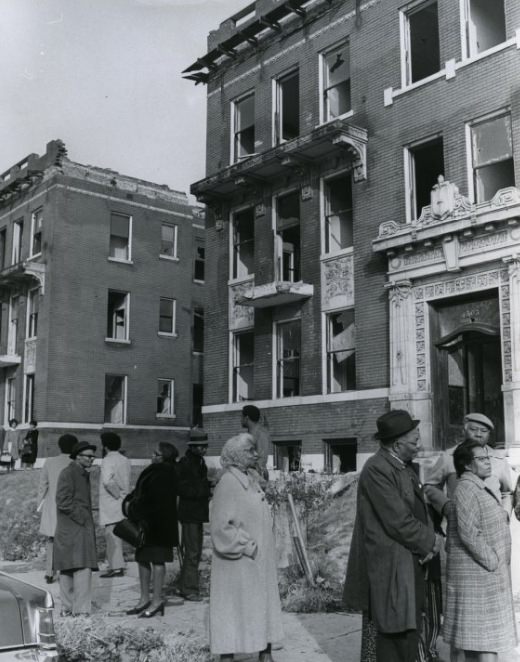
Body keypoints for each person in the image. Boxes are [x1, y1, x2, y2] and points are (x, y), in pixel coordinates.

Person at [343, 410, 441, 662]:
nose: (419, 447)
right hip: (391, 565)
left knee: (408, 632)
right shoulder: (377, 469)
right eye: (414, 442)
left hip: (409, 561)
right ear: (397, 444)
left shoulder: (402, 466)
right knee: (394, 636)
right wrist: (432, 542)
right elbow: (398, 521)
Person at [424, 412, 514, 662]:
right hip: (466, 542)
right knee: (466, 616)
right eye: (473, 429)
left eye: (483, 432)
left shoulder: (495, 459)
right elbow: (430, 486)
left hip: (492, 539)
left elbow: (508, 490)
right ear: (464, 429)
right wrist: (446, 508)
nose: (478, 434)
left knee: (483, 621)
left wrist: (504, 515)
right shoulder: (452, 457)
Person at [209, 433, 283, 662]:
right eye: (251, 450)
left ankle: (264, 651)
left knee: (259, 606)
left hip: (255, 563)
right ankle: (228, 656)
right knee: (232, 610)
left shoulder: (250, 479)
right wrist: (247, 546)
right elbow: (221, 527)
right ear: (238, 456)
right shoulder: (229, 483)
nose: (256, 454)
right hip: (238, 562)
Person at [443, 439, 517, 660]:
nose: (488, 463)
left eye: (488, 457)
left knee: (482, 645)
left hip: (482, 578)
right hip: (478, 579)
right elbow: (469, 533)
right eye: (482, 459)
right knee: (483, 646)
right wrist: (493, 560)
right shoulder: (466, 489)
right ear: (467, 465)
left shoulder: (478, 487)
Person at [125, 441, 182, 617]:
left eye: (156, 454)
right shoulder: (160, 471)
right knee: (142, 559)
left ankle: (157, 600)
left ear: (163, 457)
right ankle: (144, 599)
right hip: (151, 524)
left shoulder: (163, 472)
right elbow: (140, 493)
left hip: (157, 525)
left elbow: (151, 500)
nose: (152, 456)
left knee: (157, 561)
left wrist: (133, 509)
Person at [53, 440, 98, 616]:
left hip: (74, 528)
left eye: (93, 456)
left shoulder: (80, 473)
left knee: (71, 567)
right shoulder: (69, 473)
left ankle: (69, 608)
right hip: (74, 528)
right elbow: (62, 500)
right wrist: (83, 516)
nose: (92, 459)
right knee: (79, 568)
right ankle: (79, 611)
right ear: (78, 456)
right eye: (88, 456)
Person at [176, 427, 210, 601]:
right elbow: (182, 488)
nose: (204, 449)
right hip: (190, 514)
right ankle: (189, 589)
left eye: (205, 446)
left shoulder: (199, 463)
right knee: (192, 551)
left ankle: (184, 585)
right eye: (200, 446)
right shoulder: (186, 464)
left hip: (196, 514)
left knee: (193, 551)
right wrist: (206, 488)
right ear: (192, 447)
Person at [37, 433, 76, 583]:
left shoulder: (49, 462)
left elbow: (43, 485)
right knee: (69, 540)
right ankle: (67, 570)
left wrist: (39, 504)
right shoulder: (75, 463)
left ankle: (49, 572)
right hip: (70, 506)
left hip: (52, 506)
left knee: (51, 540)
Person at [99, 431, 131, 578]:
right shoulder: (125, 459)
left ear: (105, 446)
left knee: (112, 535)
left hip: (112, 501)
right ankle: (116, 564)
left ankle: (116, 567)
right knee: (118, 533)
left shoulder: (107, 460)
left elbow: (107, 481)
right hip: (123, 501)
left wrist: (116, 494)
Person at [241, 405, 270, 479]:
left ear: (247, 418)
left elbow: (262, 460)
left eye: (242, 417)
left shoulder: (261, 434)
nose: (240, 420)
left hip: (257, 477)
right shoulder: (248, 435)